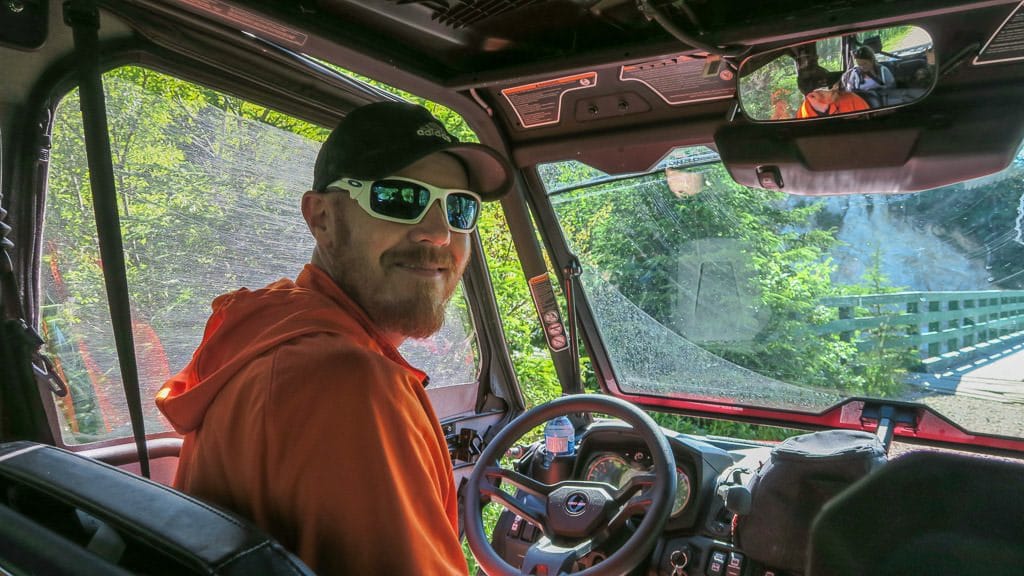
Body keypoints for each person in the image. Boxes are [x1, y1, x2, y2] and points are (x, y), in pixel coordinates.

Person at [155, 101, 513, 575]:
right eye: (400, 198)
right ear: (322, 218)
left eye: (460, 208)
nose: (438, 233)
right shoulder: (349, 381)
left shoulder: (269, 335)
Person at [797, 83, 870, 118]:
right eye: (828, 87)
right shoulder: (803, 113)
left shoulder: (852, 99)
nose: (836, 87)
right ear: (811, 95)